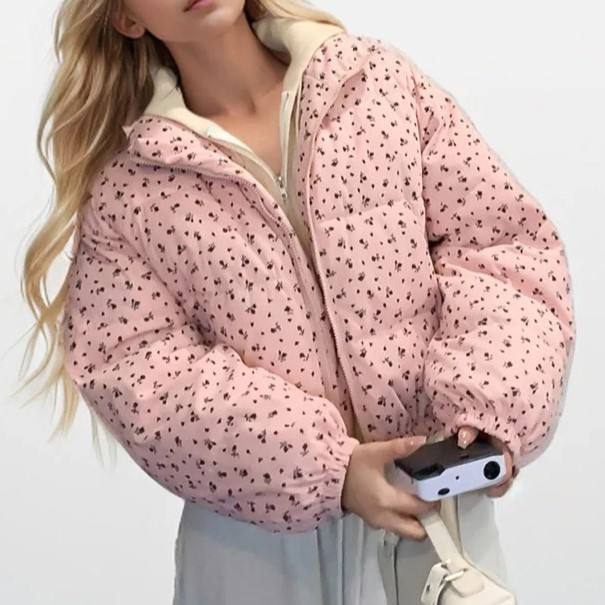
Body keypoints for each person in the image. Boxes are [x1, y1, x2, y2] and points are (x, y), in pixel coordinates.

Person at [19, 0, 576, 603]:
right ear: (127, 18)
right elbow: (138, 372)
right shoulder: (132, 193)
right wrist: (326, 467)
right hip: (260, 554)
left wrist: (489, 403)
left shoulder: (374, 84)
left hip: (436, 522)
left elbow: (500, 246)